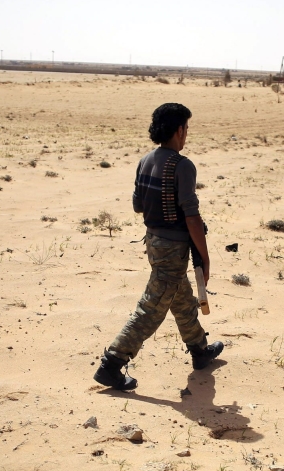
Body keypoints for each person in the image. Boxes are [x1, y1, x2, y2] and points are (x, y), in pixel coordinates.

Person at [93, 103, 224, 391]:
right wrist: (205, 257)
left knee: (180, 297)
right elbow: (191, 217)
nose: (187, 134)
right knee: (151, 308)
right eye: (186, 128)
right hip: (173, 249)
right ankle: (112, 363)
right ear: (179, 130)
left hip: (153, 242)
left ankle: (200, 351)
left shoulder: (146, 160)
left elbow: (138, 205)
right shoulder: (182, 165)